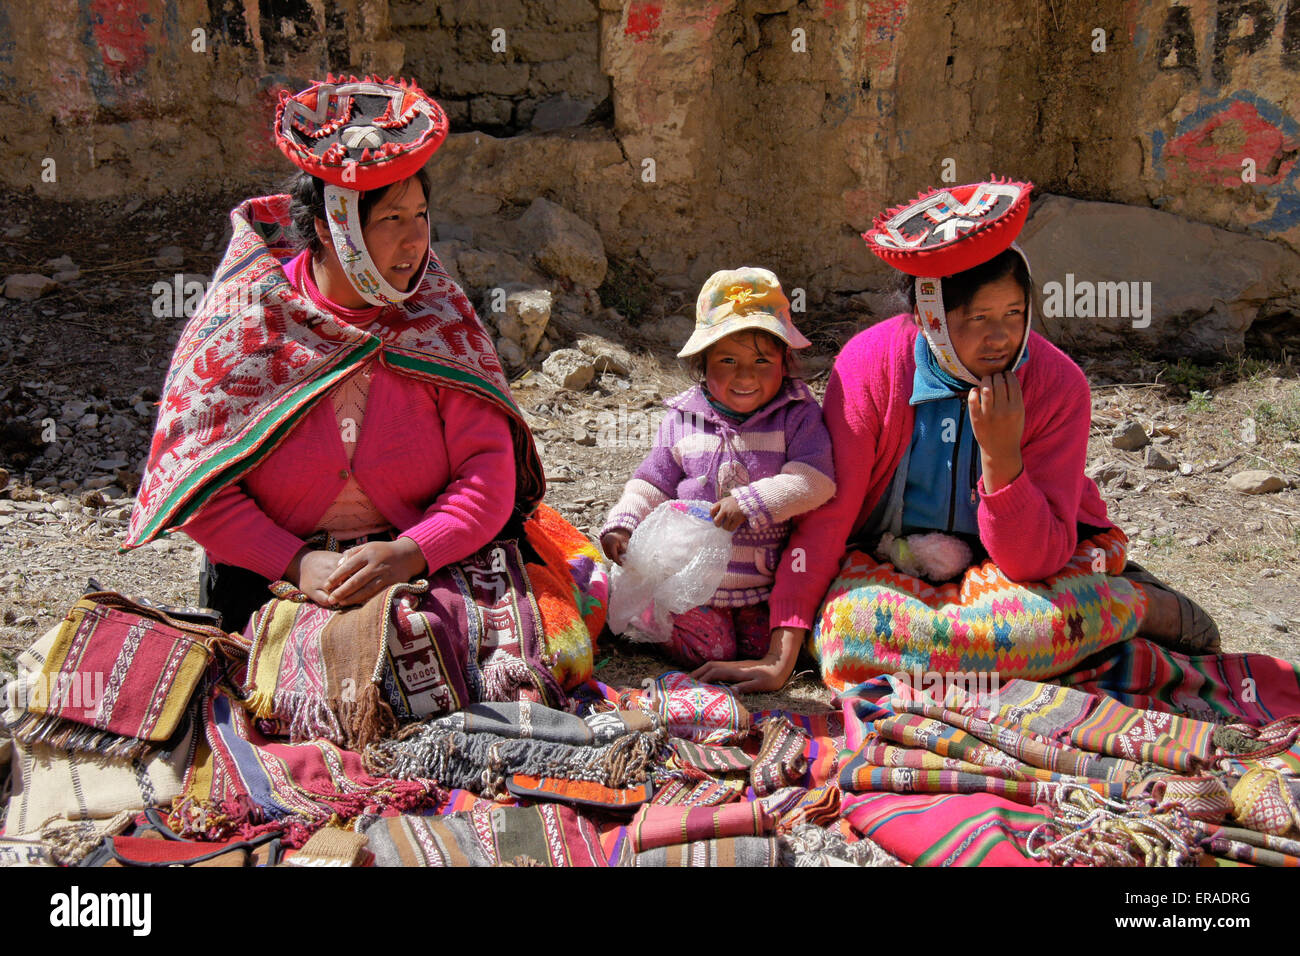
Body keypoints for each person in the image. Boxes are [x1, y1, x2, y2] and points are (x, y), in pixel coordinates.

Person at [124, 76, 605, 710]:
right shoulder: (249, 320)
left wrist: (410, 552)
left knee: (499, 667)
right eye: (391, 221)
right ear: (332, 228)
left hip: (422, 557)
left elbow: (488, 476)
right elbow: (200, 487)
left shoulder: (438, 320)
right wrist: (296, 563)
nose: (415, 243)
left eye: (422, 216)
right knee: (291, 693)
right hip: (274, 576)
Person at [754, 178, 1218, 693]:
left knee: (1038, 624)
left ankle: (1140, 606)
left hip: (1022, 574)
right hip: (887, 558)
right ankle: (1080, 636)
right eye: (977, 318)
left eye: (1014, 315)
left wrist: (1001, 459)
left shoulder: (1058, 385)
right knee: (846, 639)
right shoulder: (869, 366)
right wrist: (782, 649)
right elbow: (828, 517)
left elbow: (1033, 561)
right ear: (929, 316)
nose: (1000, 337)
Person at [600, 268, 835, 690]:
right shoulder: (682, 418)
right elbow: (652, 480)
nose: (746, 376)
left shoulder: (798, 415)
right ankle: (657, 622)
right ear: (702, 362)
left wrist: (751, 502)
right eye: (728, 360)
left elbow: (815, 480)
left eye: (762, 360)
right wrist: (623, 522)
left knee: (775, 647)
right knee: (713, 650)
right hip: (695, 588)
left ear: (785, 361)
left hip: (764, 588)